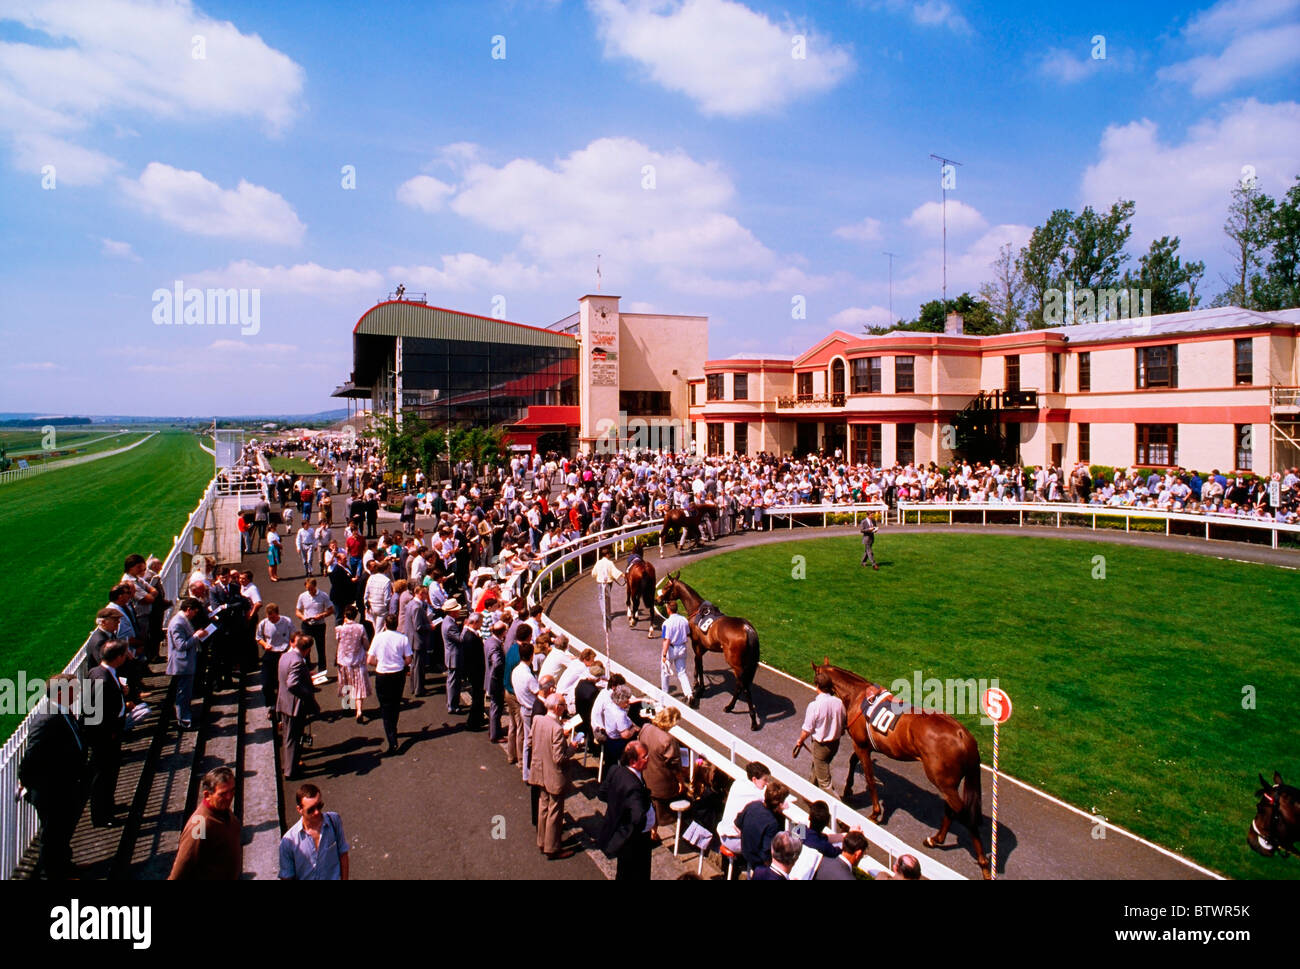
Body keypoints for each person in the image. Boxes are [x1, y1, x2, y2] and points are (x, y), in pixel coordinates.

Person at [18, 676, 85, 879]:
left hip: (64, 785)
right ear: (60, 693)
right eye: (74, 689)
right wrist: (27, 784)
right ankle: (54, 873)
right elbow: (30, 757)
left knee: (61, 832)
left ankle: (65, 864)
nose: (78, 693)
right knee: (53, 834)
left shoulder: (61, 712)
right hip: (51, 789)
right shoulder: (48, 719)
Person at [169, 766, 242, 880]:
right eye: (222, 794)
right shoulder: (199, 824)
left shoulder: (222, 809)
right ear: (207, 795)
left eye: (232, 790)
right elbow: (182, 865)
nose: (229, 797)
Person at [86, 641, 130, 827]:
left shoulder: (98, 672)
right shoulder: (102, 680)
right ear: (118, 657)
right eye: (124, 654)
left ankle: (108, 806)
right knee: (103, 776)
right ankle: (101, 816)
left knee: (109, 774)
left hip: (109, 733)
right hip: (105, 737)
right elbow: (96, 713)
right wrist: (109, 733)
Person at [597, 741, 653, 880]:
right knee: (638, 873)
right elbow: (638, 818)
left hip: (621, 834)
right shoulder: (633, 787)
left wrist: (618, 806)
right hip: (636, 840)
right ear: (633, 762)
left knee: (623, 870)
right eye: (645, 757)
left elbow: (602, 793)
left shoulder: (615, 770)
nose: (648, 759)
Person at [531, 692, 577, 859]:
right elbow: (560, 758)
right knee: (555, 812)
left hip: (540, 771)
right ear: (558, 708)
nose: (565, 708)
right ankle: (552, 847)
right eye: (564, 705)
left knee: (543, 807)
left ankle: (542, 841)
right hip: (554, 776)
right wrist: (572, 748)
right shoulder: (557, 729)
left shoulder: (538, 720)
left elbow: (531, 741)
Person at [280, 783, 350, 880]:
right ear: (299, 809)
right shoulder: (289, 841)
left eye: (319, 806)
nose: (317, 812)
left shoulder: (334, 821)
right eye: (311, 809)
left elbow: (343, 854)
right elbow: (287, 876)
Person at [367, 614, 412, 756]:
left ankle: (392, 738)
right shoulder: (403, 638)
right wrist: (401, 664)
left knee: (385, 707)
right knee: (395, 703)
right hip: (398, 675)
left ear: (385, 625)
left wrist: (380, 664)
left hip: (382, 675)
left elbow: (370, 660)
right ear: (397, 624)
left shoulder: (378, 637)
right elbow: (409, 658)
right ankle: (393, 728)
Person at [638, 705, 684, 844]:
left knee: (651, 804)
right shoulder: (668, 740)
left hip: (645, 773)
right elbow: (674, 766)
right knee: (678, 794)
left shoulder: (646, 728)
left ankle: (652, 830)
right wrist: (681, 782)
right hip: (661, 783)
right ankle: (656, 830)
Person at [794, 671, 846, 792]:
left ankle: (837, 807)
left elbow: (807, 729)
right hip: (835, 745)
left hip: (820, 747)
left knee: (825, 783)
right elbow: (843, 723)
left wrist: (800, 740)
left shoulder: (814, 705)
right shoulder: (839, 703)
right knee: (816, 769)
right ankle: (810, 794)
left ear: (817, 686)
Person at [277, 634, 319, 781]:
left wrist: (306, 675)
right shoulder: (298, 661)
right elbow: (292, 683)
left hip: (284, 701)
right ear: (307, 649)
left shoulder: (284, 657)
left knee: (290, 736)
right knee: (293, 737)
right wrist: (307, 692)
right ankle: (291, 770)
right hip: (294, 704)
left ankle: (290, 764)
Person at [167, 597, 210, 730]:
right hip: (182, 664)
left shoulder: (182, 620)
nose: (195, 615)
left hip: (187, 663)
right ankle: (183, 720)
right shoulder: (177, 623)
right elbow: (180, 645)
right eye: (194, 612)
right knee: (183, 693)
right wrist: (197, 636)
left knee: (186, 693)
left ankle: (185, 717)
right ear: (188, 609)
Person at [738, 779, 789, 874]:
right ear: (779, 804)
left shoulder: (753, 805)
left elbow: (738, 823)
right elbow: (766, 853)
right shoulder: (773, 823)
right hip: (757, 861)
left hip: (745, 850)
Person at [256, 602, 294, 720]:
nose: (270, 619)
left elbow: (293, 636)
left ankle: (285, 707)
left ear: (277, 614)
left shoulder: (287, 621)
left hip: (283, 653)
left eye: (272, 617)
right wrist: (264, 644)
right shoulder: (263, 623)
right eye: (269, 617)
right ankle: (272, 706)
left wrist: (290, 649)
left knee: (283, 683)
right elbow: (258, 637)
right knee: (266, 684)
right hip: (270, 654)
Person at [335, 605, 370, 724]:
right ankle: (359, 710)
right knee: (358, 685)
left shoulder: (339, 629)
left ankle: (347, 707)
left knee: (346, 683)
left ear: (345, 615)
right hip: (357, 660)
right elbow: (365, 644)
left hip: (343, 661)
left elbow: (338, 641)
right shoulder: (360, 628)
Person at [511, 638, 540, 781]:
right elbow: (538, 692)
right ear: (531, 656)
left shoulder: (516, 670)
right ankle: (528, 773)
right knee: (530, 742)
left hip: (523, 707)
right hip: (530, 710)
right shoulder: (528, 676)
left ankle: (527, 772)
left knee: (528, 741)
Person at [295, 577, 334, 676]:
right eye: (308, 589)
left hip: (319, 625)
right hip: (307, 624)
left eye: (311, 588)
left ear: (315, 586)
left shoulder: (323, 595)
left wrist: (322, 615)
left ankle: (322, 670)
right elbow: (297, 611)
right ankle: (307, 669)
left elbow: (331, 610)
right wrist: (303, 617)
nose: (310, 591)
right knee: (305, 647)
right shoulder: (302, 596)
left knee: (321, 647)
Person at [660, 600, 693, 704]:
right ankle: (689, 694)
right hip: (682, 648)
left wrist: (664, 655)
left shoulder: (666, 623)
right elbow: (688, 633)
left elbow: (666, 640)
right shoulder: (684, 620)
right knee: (682, 672)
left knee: (665, 671)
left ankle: (665, 693)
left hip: (671, 649)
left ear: (668, 610)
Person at [484, 619, 507, 744]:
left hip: (491, 679)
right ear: (502, 632)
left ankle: (494, 730)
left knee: (495, 707)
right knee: (496, 708)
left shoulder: (489, 640)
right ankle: (495, 735)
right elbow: (497, 663)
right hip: (495, 681)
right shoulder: (495, 645)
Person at [591, 546, 624, 630]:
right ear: (607, 555)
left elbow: (593, 573)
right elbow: (614, 572)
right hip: (608, 583)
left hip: (600, 582)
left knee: (601, 598)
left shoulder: (598, 562)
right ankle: (606, 615)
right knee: (607, 599)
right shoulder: (610, 563)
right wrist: (623, 575)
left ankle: (604, 613)